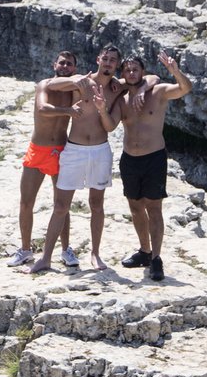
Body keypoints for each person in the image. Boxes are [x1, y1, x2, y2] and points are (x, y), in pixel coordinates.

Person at [30, 46, 153, 273]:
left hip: (100, 150)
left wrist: (143, 88)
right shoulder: (83, 81)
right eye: (105, 59)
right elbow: (49, 84)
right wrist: (78, 81)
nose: (107, 63)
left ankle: (95, 254)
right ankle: (46, 257)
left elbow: (152, 77)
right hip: (74, 150)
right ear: (98, 59)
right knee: (60, 205)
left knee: (96, 205)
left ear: (117, 65)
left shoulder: (118, 88)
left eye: (112, 61)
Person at [117, 52, 192, 282]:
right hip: (129, 158)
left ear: (143, 71)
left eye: (135, 69)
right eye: (127, 70)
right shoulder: (120, 96)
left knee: (154, 208)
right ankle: (144, 252)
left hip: (153, 158)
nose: (131, 73)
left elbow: (185, 88)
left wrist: (175, 71)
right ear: (123, 74)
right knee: (135, 207)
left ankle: (157, 258)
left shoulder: (158, 93)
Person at [9, 51, 81, 268]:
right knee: (26, 201)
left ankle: (65, 249)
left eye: (69, 64)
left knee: (62, 204)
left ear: (73, 69)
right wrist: (68, 110)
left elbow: (92, 84)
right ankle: (25, 249)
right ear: (54, 64)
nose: (65, 66)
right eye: (62, 62)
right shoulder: (45, 85)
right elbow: (42, 108)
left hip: (61, 150)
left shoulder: (73, 89)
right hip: (38, 150)